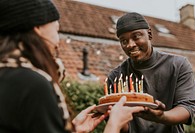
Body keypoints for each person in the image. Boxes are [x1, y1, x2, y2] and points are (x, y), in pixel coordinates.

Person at [0, 0, 145, 133]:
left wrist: (74, 130)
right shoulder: (33, 84)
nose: (57, 41)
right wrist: (114, 125)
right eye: (56, 30)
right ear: (37, 27)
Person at [107, 12, 195, 133]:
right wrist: (112, 116)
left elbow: (187, 108)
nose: (130, 45)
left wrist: (161, 117)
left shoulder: (178, 65)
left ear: (149, 34)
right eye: (124, 41)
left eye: (136, 36)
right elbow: (123, 127)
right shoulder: (115, 77)